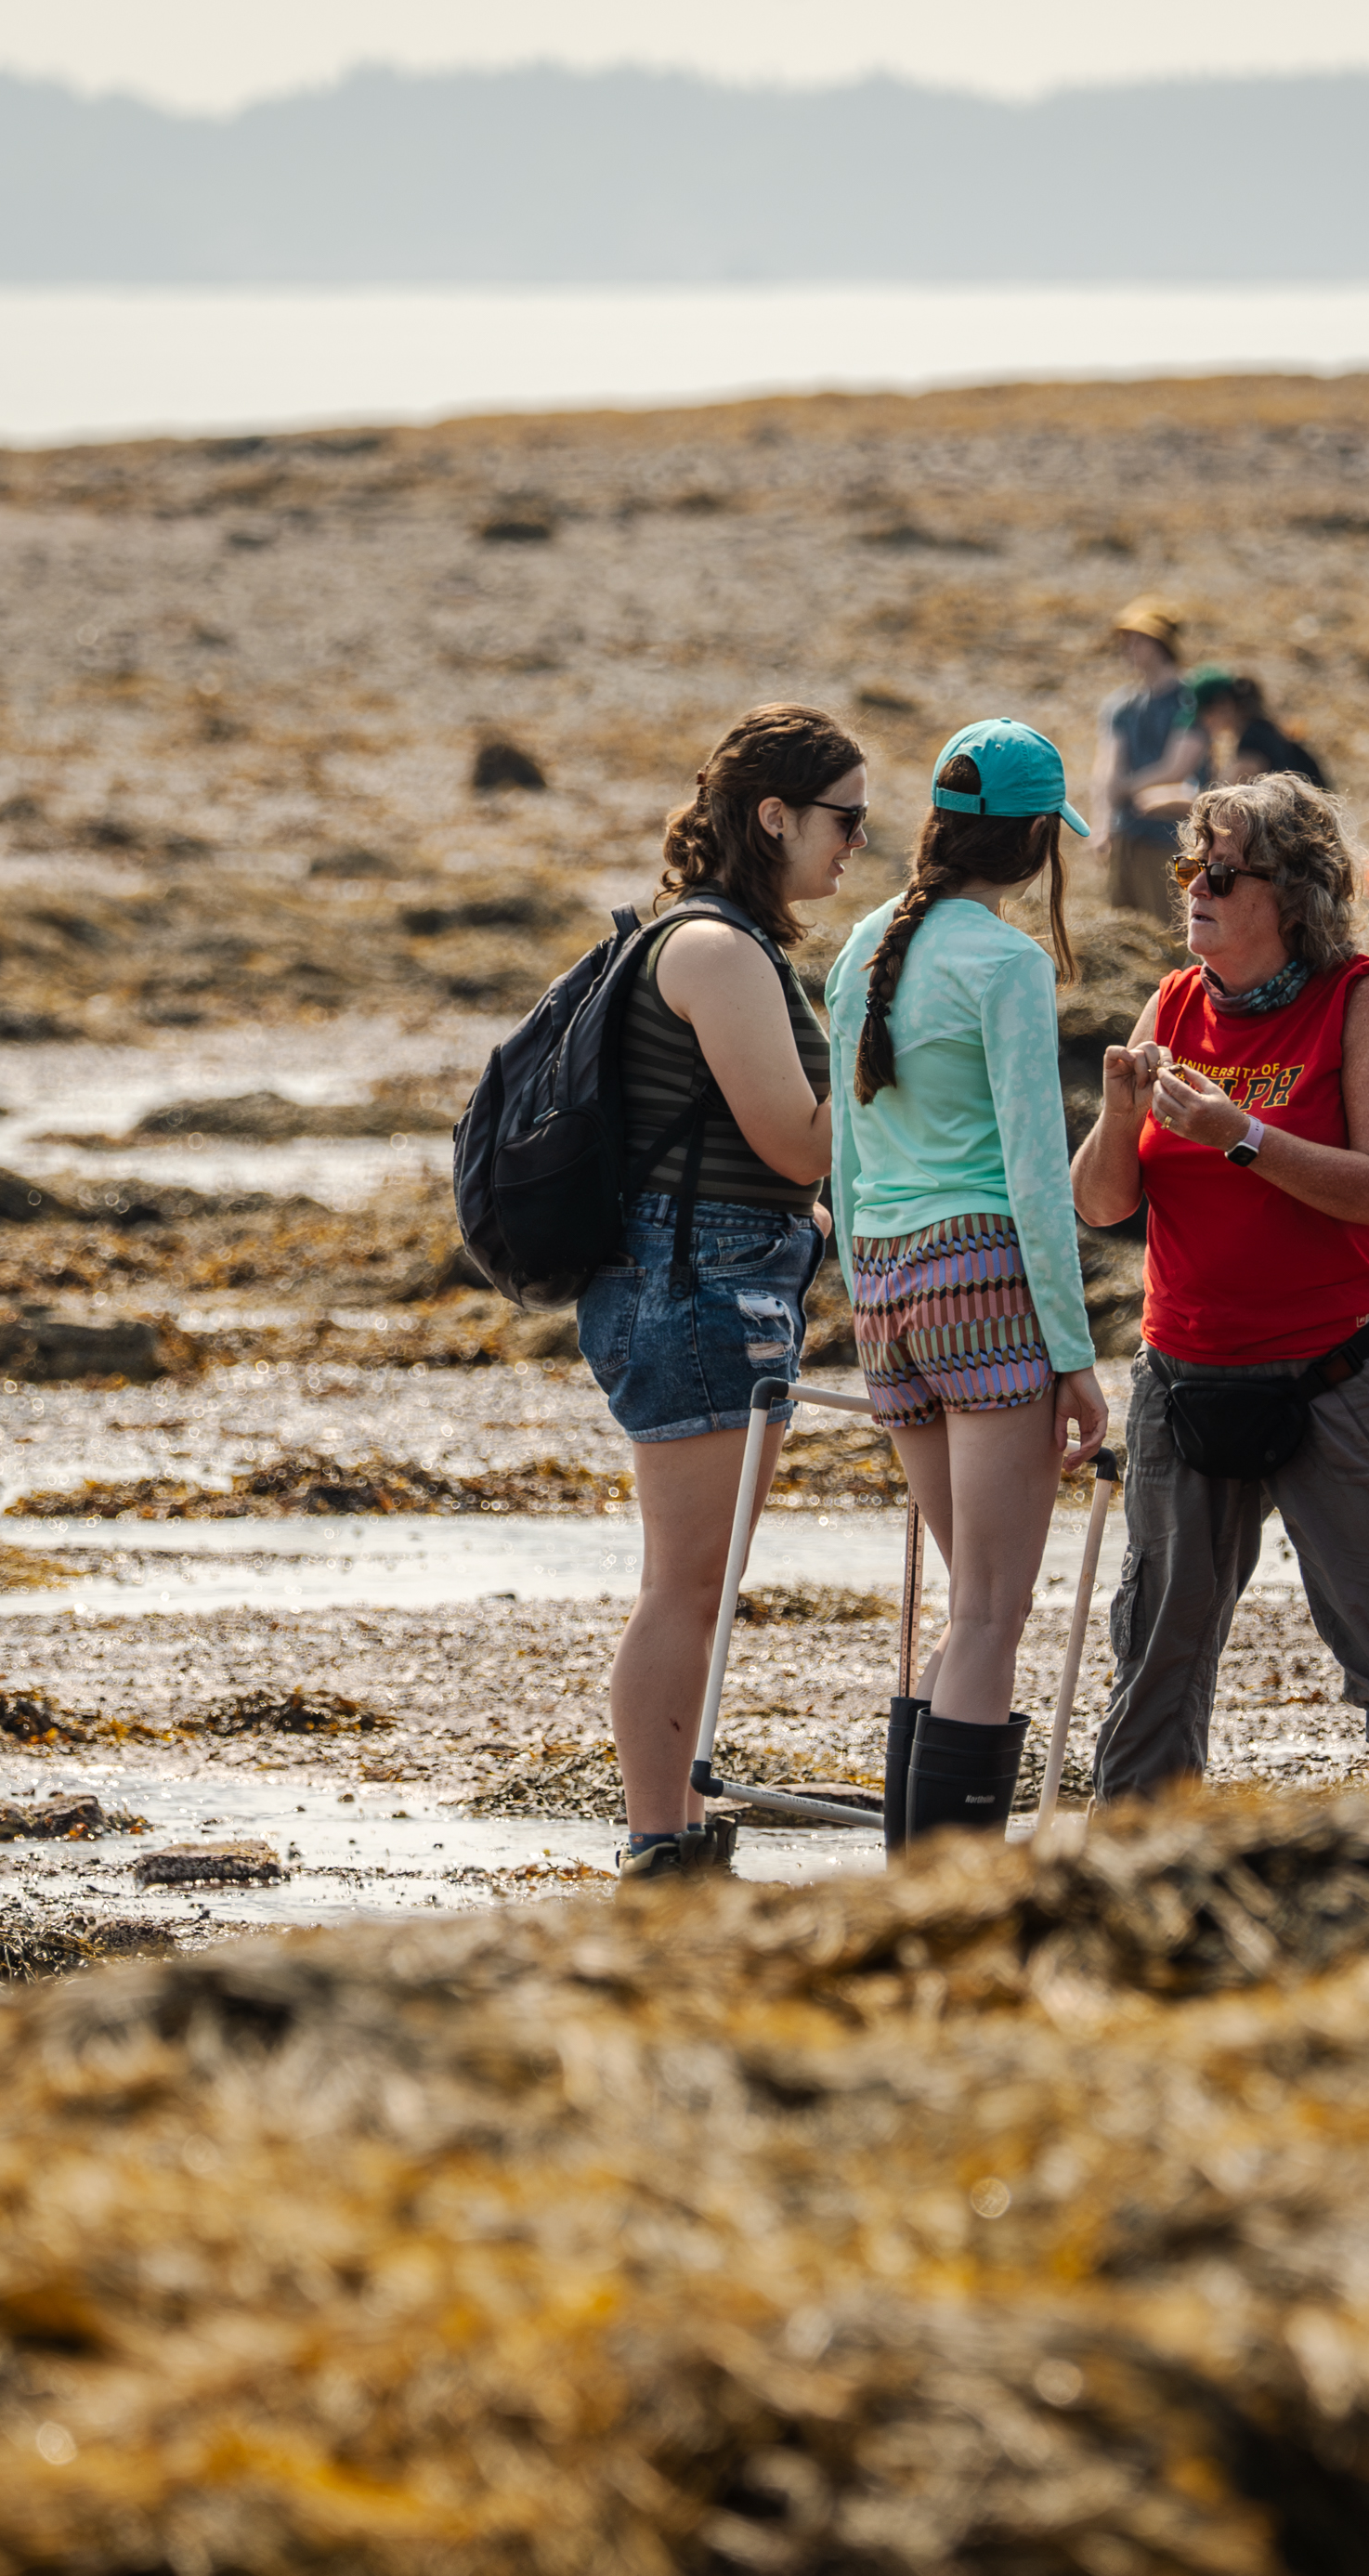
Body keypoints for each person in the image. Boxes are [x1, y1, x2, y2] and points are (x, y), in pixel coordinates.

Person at [1071, 772, 1369, 1800]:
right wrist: (1114, 1109)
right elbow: (1102, 1205)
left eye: (1225, 872)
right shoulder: (1176, 1002)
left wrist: (1242, 1138)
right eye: (1193, 864)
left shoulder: (1363, 997)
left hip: (1342, 1366)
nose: (1197, 886)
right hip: (1189, 1370)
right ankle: (1130, 1876)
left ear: (1299, 893)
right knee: (1155, 1656)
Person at [579, 704, 867, 1880]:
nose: (855, 842)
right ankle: (659, 1836)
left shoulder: (720, 942)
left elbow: (766, 1162)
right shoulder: (713, 949)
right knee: (687, 1582)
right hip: (692, 1285)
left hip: (714, 1276)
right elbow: (799, 1142)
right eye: (844, 818)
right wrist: (896, 1055)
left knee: (699, 1578)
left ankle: (676, 1826)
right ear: (773, 815)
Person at [828, 719, 1109, 1842]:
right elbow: (1038, 1177)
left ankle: (923, 1872)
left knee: (971, 1602)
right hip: (985, 1286)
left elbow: (846, 1167)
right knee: (994, 1610)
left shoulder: (861, 947)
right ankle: (946, 1888)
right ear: (1041, 842)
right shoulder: (1008, 962)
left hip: (888, 1293)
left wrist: (864, 1308)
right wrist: (1077, 1357)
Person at [1088, 598, 1205, 920]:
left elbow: (1178, 767)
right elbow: (1107, 768)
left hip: (1176, 838)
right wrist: (1102, 826)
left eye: (1135, 641)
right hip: (1129, 834)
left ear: (1159, 643)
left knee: (1176, 929)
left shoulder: (1191, 700)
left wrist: (1122, 789)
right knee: (1127, 929)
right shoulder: (1121, 704)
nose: (1127, 649)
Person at [1188, 668, 1331, 790]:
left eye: (1204, 714)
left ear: (1224, 705)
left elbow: (1226, 796)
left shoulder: (1253, 738)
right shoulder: (1260, 730)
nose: (1202, 723)